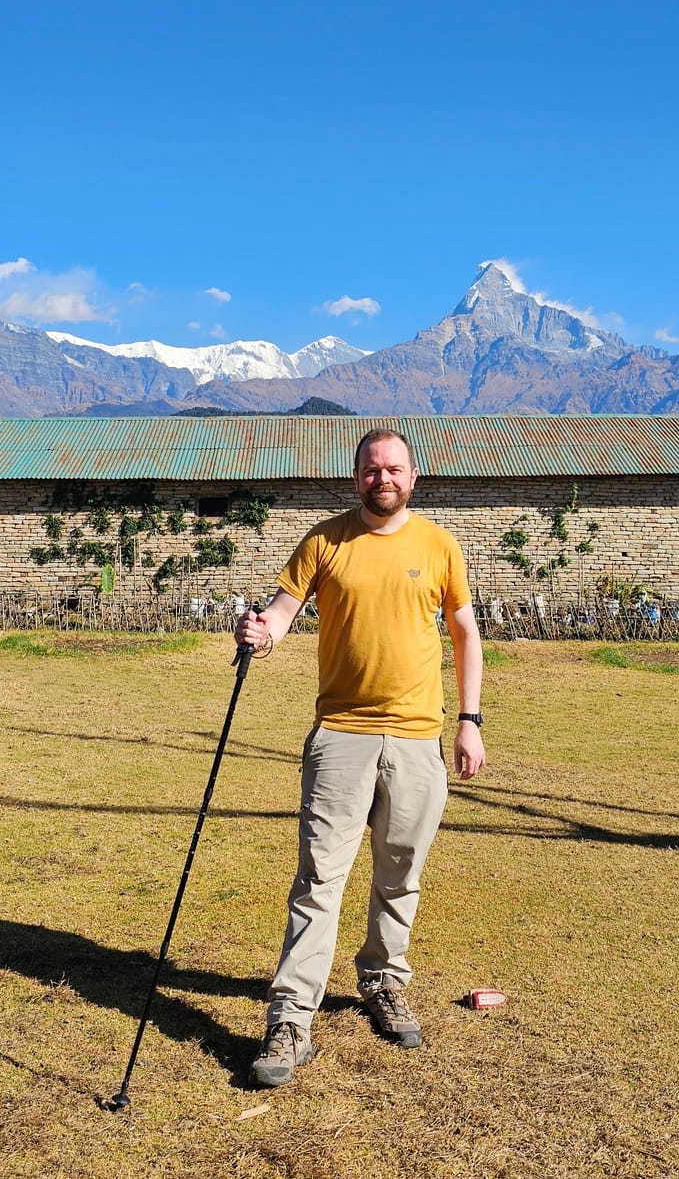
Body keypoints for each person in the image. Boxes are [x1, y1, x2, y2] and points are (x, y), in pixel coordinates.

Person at [234, 426, 485, 1088]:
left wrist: (469, 720)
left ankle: (382, 983)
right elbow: (283, 614)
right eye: (372, 469)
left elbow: (465, 632)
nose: (383, 479)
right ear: (356, 477)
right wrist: (261, 632)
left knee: (400, 875)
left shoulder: (438, 546)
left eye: (394, 468)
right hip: (340, 737)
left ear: (413, 475)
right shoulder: (323, 540)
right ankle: (291, 1021)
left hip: (417, 740)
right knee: (319, 882)